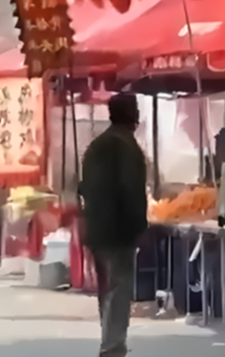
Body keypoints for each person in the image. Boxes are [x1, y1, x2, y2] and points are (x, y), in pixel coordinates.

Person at [79, 93, 148, 357]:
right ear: (133, 116)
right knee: (119, 286)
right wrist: (139, 226)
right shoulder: (126, 146)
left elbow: (83, 186)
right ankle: (112, 343)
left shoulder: (97, 146)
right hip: (119, 230)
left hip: (96, 228)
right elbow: (131, 190)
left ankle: (109, 337)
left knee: (106, 287)